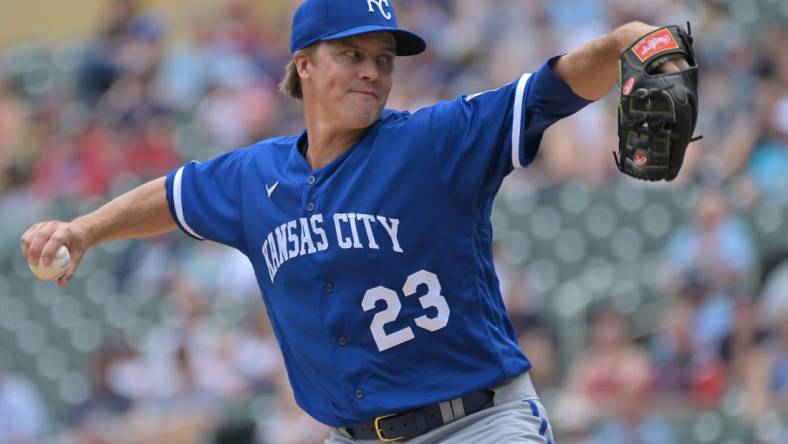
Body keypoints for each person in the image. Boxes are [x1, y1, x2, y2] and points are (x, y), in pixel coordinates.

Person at [20, 1, 690, 442]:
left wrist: (632, 40)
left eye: (383, 59)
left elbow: (553, 86)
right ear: (303, 66)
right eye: (351, 54)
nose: (372, 71)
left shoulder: (436, 141)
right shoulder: (253, 178)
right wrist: (83, 230)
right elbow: (171, 195)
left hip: (478, 425)